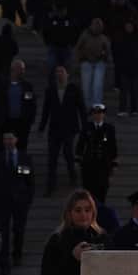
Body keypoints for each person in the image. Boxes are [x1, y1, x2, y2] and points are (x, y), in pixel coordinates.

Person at [0, 129, 35, 275]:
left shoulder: (25, 158)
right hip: (2, 202)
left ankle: (17, 254)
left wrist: (27, 200)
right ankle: (4, 263)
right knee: (2, 232)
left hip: (20, 202)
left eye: (10, 138)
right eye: (5, 139)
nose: (8, 142)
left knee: (19, 230)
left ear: (16, 140)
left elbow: (30, 181)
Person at [38, 66, 85, 195]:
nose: (59, 74)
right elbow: (46, 110)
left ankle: (73, 177)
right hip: (54, 128)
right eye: (57, 72)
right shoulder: (50, 90)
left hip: (70, 128)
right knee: (52, 157)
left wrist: (85, 125)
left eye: (62, 71)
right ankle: (50, 186)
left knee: (68, 153)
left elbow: (81, 108)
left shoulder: (74, 89)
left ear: (67, 74)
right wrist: (42, 127)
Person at [0, 58, 37, 154]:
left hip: (22, 123)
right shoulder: (3, 85)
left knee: (22, 148)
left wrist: (30, 120)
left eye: (23, 69)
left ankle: (20, 167)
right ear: (13, 69)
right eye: (21, 69)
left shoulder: (27, 86)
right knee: (1, 149)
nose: (23, 71)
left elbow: (31, 104)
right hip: (5, 122)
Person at [75, 104, 118, 205]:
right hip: (89, 163)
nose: (98, 116)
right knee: (89, 191)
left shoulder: (109, 128)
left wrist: (114, 162)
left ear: (104, 115)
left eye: (100, 113)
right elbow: (81, 144)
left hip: (103, 164)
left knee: (102, 190)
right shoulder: (87, 127)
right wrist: (78, 158)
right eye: (96, 113)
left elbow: (113, 146)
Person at [114, 18, 138, 117]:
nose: (128, 28)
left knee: (135, 90)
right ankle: (122, 109)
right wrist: (119, 63)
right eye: (127, 26)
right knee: (123, 90)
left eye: (130, 26)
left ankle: (134, 109)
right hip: (124, 68)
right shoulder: (121, 38)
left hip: (136, 68)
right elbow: (117, 52)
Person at [73, 17, 110, 108]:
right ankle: (87, 107)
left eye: (99, 26)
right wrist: (80, 58)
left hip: (99, 62)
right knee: (86, 86)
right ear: (91, 26)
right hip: (86, 61)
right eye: (95, 26)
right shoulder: (84, 35)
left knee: (97, 85)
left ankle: (97, 107)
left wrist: (104, 57)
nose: (97, 28)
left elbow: (108, 50)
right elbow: (78, 48)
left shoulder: (103, 38)